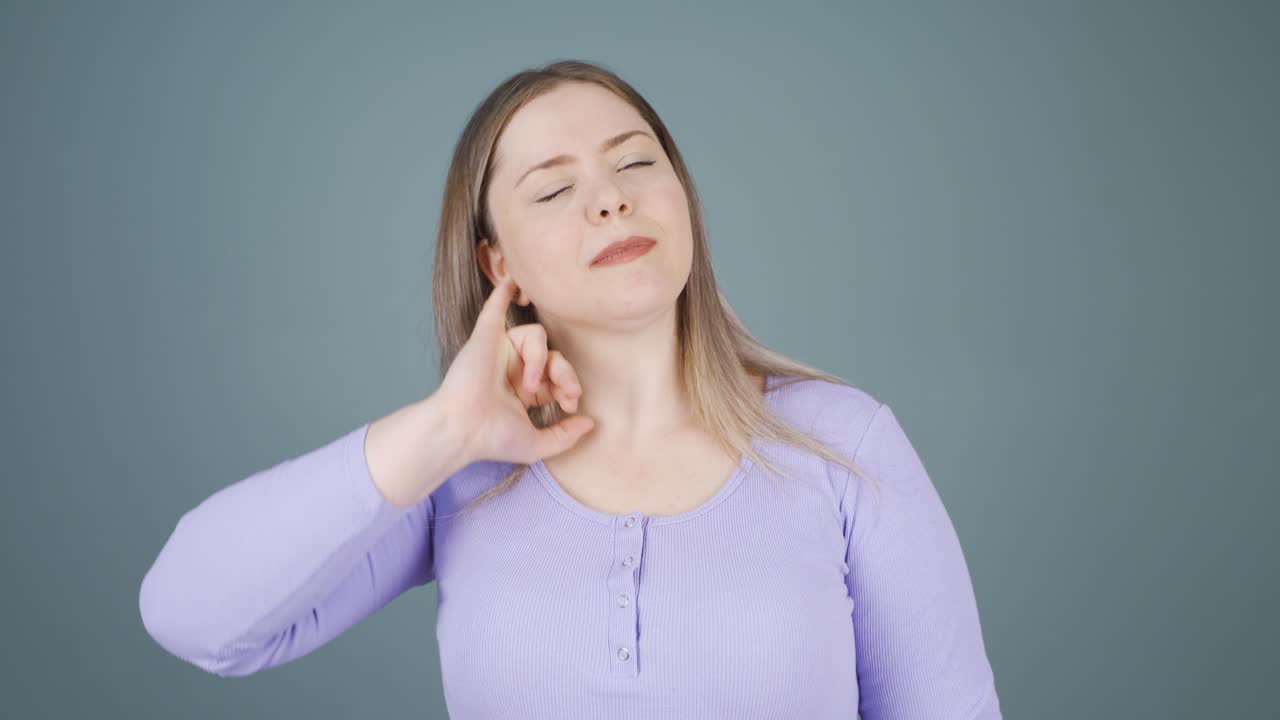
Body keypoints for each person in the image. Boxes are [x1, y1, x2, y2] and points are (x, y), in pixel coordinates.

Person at [138, 59, 1002, 719]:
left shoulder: (841, 442)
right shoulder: (460, 474)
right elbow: (195, 617)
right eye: (554, 187)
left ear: (683, 200)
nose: (611, 202)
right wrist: (444, 427)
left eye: (636, 165)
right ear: (497, 263)